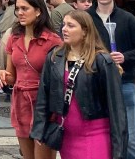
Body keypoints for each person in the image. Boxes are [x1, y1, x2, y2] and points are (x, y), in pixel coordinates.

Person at [31, 10, 126, 159]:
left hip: (95, 133)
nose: (64, 29)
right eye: (64, 25)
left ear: (85, 31)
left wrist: (119, 149)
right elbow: (44, 95)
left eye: (71, 26)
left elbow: (117, 107)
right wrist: (39, 128)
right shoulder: (55, 57)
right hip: (67, 133)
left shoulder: (101, 60)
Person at [88, 0, 135, 159]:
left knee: (129, 136)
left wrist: (125, 57)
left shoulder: (127, 19)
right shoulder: (87, 19)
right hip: (95, 82)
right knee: (102, 133)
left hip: (124, 83)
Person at [0, 0, 61, 159]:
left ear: (38, 11)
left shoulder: (52, 40)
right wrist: (3, 74)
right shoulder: (14, 37)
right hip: (20, 102)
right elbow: (12, 76)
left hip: (43, 103)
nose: (19, 13)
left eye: (25, 8)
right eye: (17, 9)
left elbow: (59, 78)